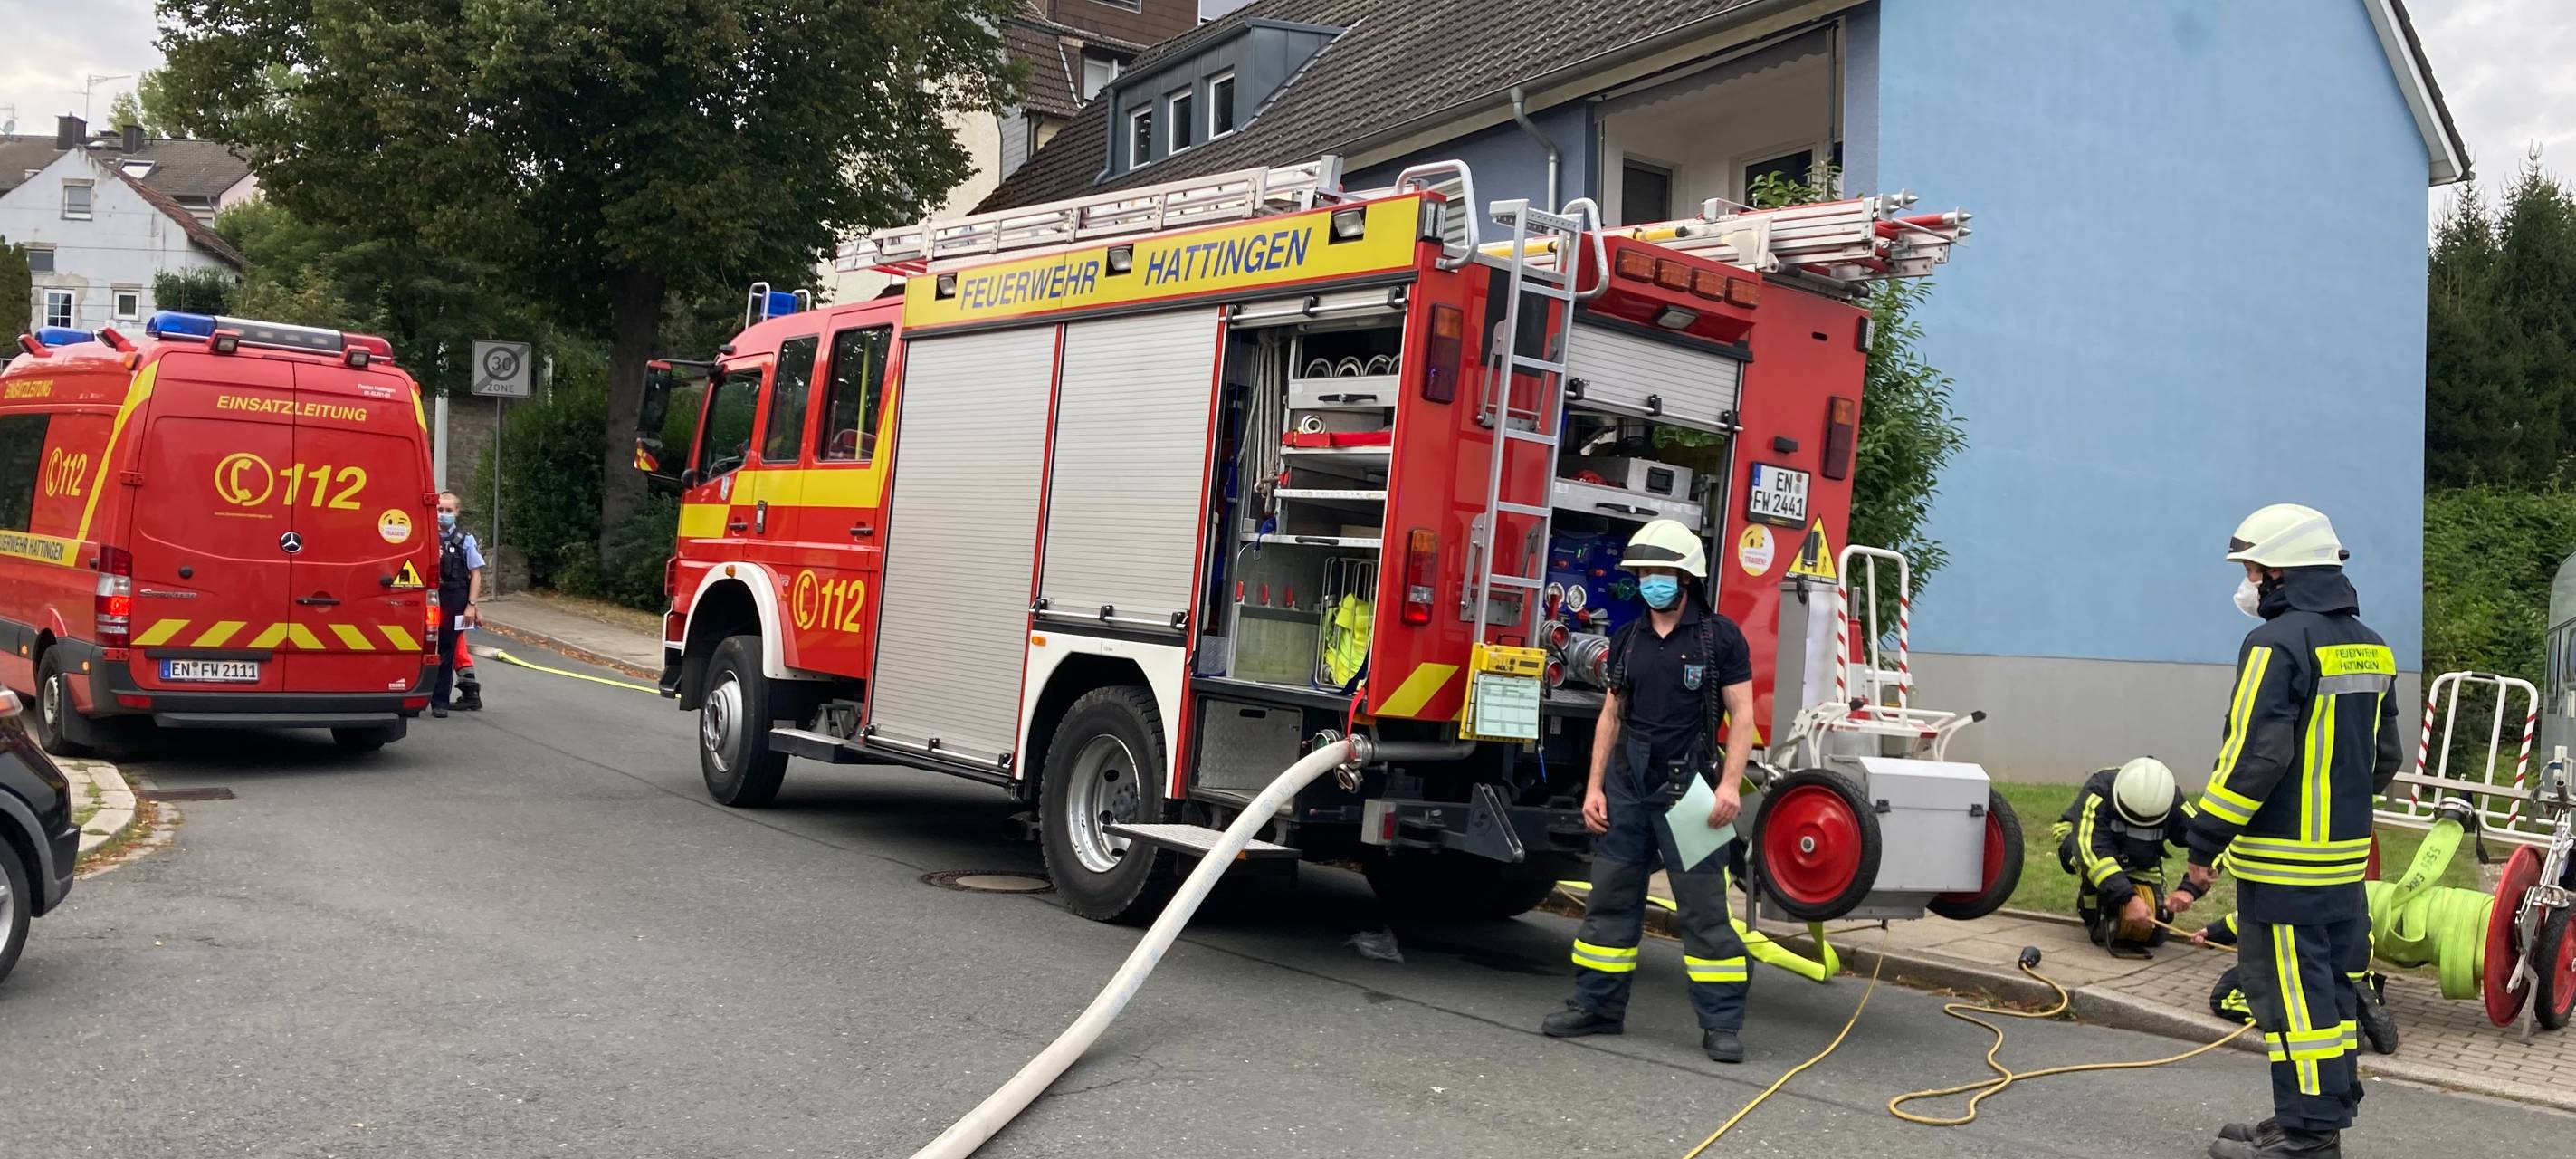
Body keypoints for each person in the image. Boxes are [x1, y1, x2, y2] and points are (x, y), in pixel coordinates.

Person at [2168, 504, 2400, 1159]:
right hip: (2343, 862)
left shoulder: (2274, 644)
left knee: (2294, 1001)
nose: (2247, 582)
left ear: (2279, 571)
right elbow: (2385, 758)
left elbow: (2254, 756)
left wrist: (2205, 842)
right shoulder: (2372, 645)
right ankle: (2309, 1116)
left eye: (2251, 569)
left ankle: (2307, 1137)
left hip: (2284, 866)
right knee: (2329, 992)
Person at [1542, 519, 1758, 1064]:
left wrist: (1730, 786)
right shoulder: (1627, 638)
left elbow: (1743, 714)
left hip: (1693, 791)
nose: (1651, 582)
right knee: (1609, 902)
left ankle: (1721, 1024)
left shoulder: (1720, 638)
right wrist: (1595, 787)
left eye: (1661, 572)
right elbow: (1610, 715)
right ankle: (1597, 1007)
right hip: (1628, 788)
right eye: (1643, 573)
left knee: (1704, 911)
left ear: (1686, 578)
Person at [2049, 756, 2193, 954]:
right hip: (2085, 839)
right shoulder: (2099, 790)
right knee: (2100, 918)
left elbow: (2209, 843)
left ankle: (2119, 888)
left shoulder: (2174, 802)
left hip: (2141, 856)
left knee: (2155, 929)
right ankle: (2092, 895)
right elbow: (2093, 852)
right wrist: (2127, 898)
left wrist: (2189, 889)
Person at [432, 492, 485, 718]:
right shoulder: (426, 536)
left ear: (457, 512)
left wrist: (472, 605)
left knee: (447, 649)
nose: (443, 514)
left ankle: (440, 702)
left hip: (455, 597)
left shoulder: (466, 539)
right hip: (429, 595)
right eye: (440, 510)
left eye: (448, 510)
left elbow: (475, 574)